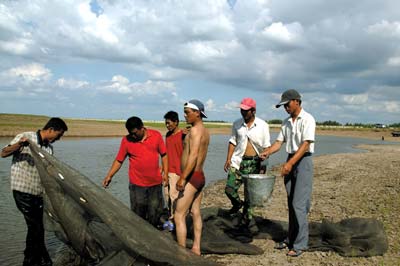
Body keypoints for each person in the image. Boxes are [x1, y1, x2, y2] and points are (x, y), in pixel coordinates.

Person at [1, 117, 68, 266]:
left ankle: (35, 258)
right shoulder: (26, 137)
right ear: (51, 130)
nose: (59, 138)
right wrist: (19, 145)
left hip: (38, 193)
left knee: (37, 227)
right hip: (22, 190)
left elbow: (48, 171)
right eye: (59, 134)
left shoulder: (49, 148)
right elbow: (4, 153)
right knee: (35, 227)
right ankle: (32, 261)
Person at [260, 89, 316, 257]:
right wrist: (267, 152)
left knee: (299, 204)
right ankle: (291, 237)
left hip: (303, 160)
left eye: (287, 104)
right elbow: (279, 142)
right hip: (291, 158)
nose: (285, 108)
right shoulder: (286, 122)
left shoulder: (308, 119)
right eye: (283, 105)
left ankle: (300, 244)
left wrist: (290, 163)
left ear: (297, 101)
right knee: (292, 203)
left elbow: (306, 145)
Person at [102, 116, 168, 227]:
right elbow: (119, 160)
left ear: (142, 128)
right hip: (137, 185)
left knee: (155, 213)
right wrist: (109, 175)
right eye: (130, 133)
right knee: (138, 215)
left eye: (135, 133)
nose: (133, 136)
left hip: (155, 184)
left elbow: (164, 155)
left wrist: (165, 173)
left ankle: (155, 235)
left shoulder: (156, 135)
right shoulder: (126, 140)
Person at [223, 97, 271, 231]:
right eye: (241, 110)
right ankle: (238, 204)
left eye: (246, 111)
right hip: (238, 161)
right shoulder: (237, 124)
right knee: (229, 189)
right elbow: (232, 142)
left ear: (253, 111)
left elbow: (267, 148)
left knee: (250, 196)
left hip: (254, 163)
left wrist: (263, 167)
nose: (243, 113)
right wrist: (228, 159)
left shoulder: (262, 125)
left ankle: (246, 222)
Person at [174, 99, 210, 255]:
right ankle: (196, 247)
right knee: (195, 211)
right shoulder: (203, 130)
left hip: (192, 177)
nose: (185, 115)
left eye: (187, 112)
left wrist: (182, 178)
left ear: (197, 113)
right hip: (199, 176)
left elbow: (193, 155)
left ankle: (181, 254)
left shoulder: (195, 131)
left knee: (178, 214)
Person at [163, 111, 187, 227]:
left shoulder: (183, 134)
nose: (167, 126)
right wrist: (163, 170)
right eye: (166, 123)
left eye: (169, 123)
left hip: (179, 171)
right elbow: (165, 154)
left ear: (176, 122)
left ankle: (175, 220)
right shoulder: (167, 136)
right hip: (169, 170)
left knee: (174, 196)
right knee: (167, 195)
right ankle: (172, 216)